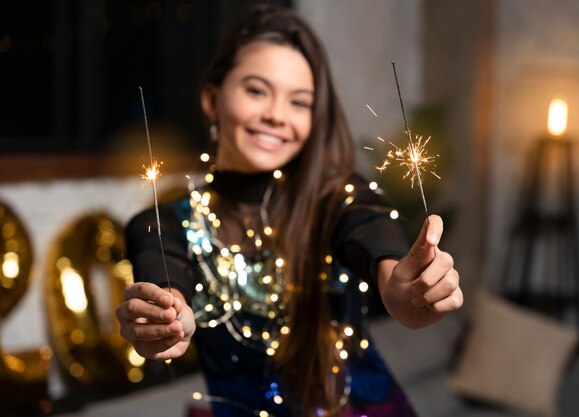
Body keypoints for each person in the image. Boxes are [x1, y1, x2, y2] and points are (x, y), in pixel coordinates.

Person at [116, 4, 462, 417]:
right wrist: (165, 318)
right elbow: (164, 274)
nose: (277, 115)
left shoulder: (337, 198)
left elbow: (369, 227)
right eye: (257, 90)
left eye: (299, 102)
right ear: (212, 98)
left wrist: (399, 286)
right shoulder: (165, 223)